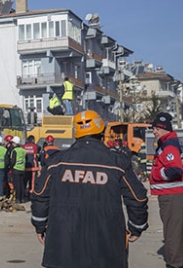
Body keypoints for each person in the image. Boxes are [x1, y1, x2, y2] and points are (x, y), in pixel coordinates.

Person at [31, 110, 148, 268]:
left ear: (76, 133)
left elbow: (40, 194)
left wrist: (40, 224)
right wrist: (136, 226)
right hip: (106, 243)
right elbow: (137, 197)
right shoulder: (117, 163)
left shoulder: (56, 162)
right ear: (101, 132)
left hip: (63, 242)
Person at [150, 112, 183, 268]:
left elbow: (174, 170)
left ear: (163, 128)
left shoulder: (169, 145)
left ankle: (175, 264)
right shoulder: (173, 142)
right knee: (182, 234)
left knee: (172, 235)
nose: (154, 132)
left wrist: (156, 174)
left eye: (155, 128)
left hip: (172, 195)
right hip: (180, 193)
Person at [7, 136, 27, 203]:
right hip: (22, 169)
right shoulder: (23, 150)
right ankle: (22, 198)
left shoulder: (15, 151)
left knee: (17, 185)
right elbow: (25, 159)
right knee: (22, 184)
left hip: (16, 169)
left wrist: (10, 167)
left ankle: (18, 199)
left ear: (15, 143)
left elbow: (13, 161)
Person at [23, 135, 40, 201]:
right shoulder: (35, 147)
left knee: (24, 181)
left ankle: (24, 194)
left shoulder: (23, 147)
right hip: (33, 167)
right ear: (33, 140)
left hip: (25, 167)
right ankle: (31, 195)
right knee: (32, 183)